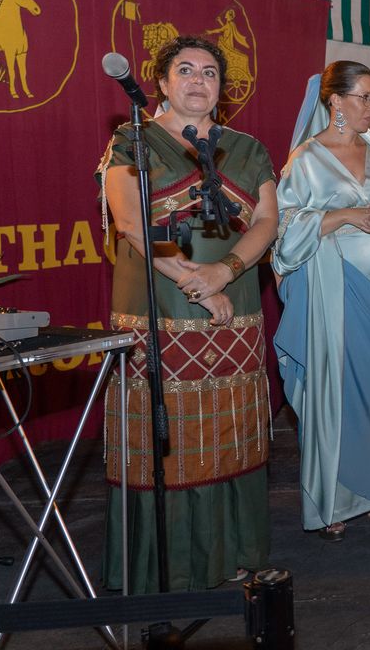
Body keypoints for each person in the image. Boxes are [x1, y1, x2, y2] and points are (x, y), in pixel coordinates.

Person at [98, 35, 277, 591]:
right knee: (167, 434)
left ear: (223, 87)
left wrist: (225, 271)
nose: (198, 80)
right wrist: (196, 282)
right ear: (161, 82)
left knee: (230, 428)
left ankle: (234, 555)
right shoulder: (132, 141)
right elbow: (131, 223)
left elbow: (267, 222)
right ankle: (168, 568)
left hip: (235, 308)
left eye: (209, 72)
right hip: (161, 303)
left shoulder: (248, 148)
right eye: (185, 70)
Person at [273, 61, 370, 541]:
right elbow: (284, 231)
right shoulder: (306, 159)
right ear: (335, 101)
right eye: (364, 97)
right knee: (331, 394)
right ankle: (329, 502)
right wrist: (346, 216)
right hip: (331, 291)